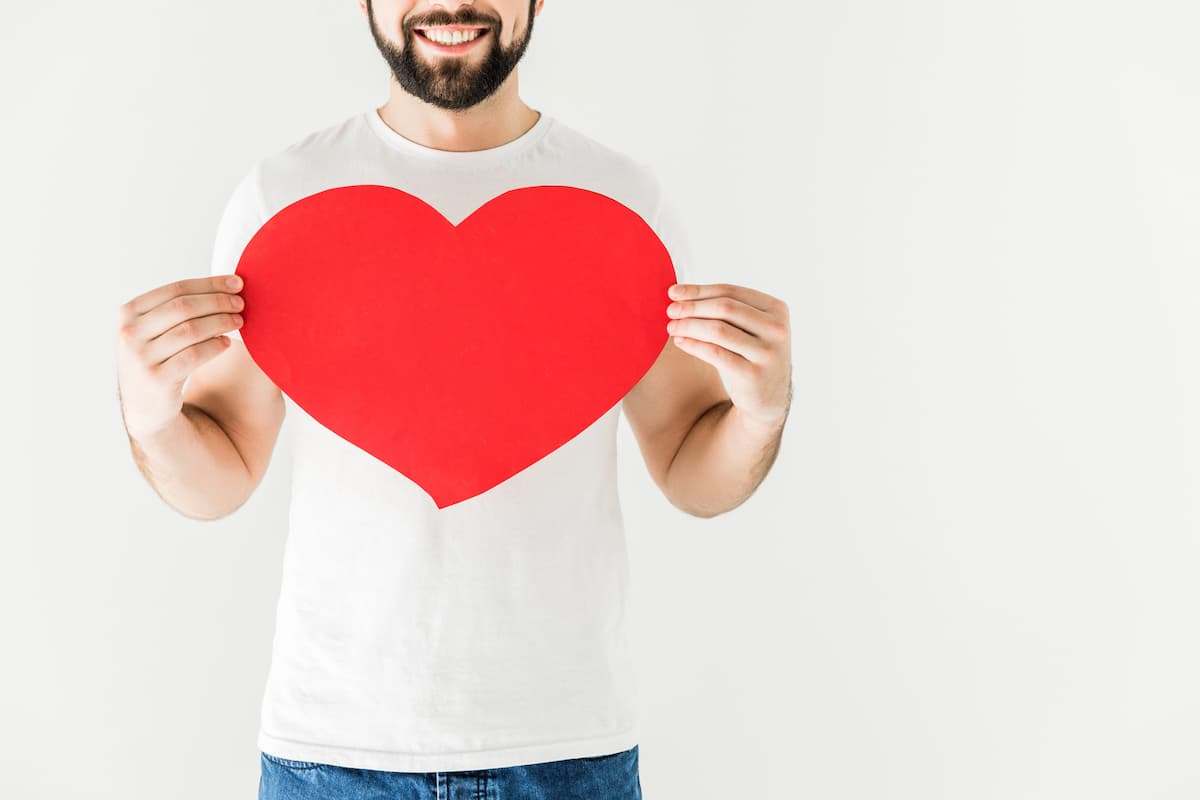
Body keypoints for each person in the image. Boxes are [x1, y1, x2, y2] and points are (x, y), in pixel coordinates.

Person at [114, 1, 793, 797]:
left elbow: (689, 466)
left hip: (568, 749)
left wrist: (761, 412)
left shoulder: (620, 205)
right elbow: (222, 469)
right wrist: (149, 415)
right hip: (332, 751)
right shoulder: (285, 201)